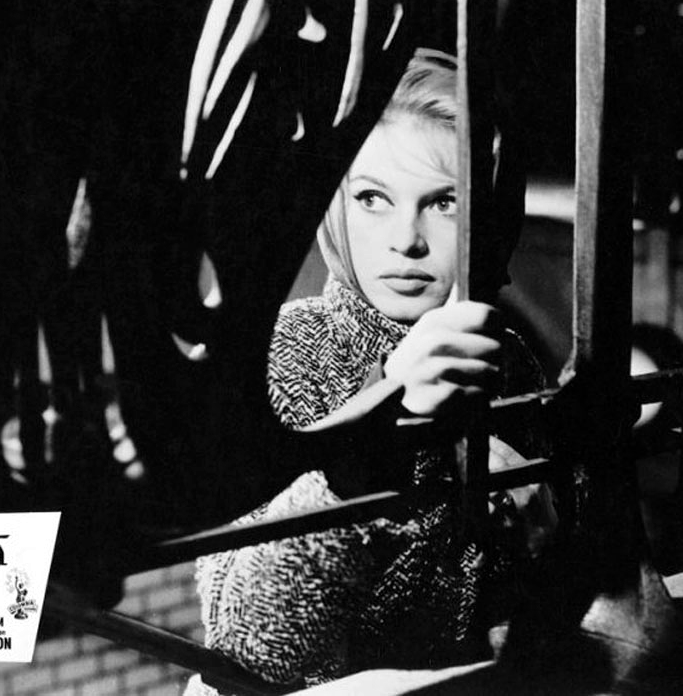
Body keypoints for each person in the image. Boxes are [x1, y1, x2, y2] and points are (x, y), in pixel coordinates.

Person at [186, 49, 554, 694]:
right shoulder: (285, 350)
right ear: (336, 207)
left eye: (444, 202)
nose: (406, 239)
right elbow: (251, 650)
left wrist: (542, 528)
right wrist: (384, 416)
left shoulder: (511, 360)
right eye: (372, 198)